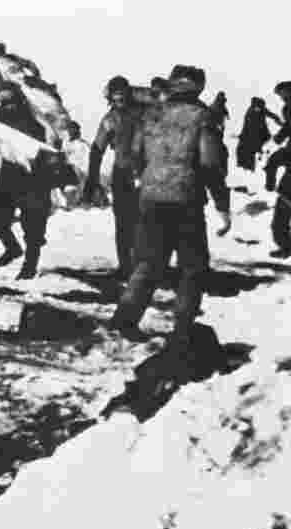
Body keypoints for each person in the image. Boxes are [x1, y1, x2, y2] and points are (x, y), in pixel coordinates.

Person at [109, 65, 231, 349]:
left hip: (151, 198)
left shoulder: (151, 114)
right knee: (192, 266)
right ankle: (183, 328)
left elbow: (134, 155)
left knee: (148, 262)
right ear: (199, 87)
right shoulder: (203, 117)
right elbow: (210, 163)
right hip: (186, 199)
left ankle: (125, 319)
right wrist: (222, 205)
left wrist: (146, 178)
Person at [0, 81, 55, 279]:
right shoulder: (0, 119)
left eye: (10, 101)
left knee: (32, 226)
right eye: (3, 102)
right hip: (10, 175)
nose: (7, 106)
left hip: (33, 179)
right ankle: (12, 248)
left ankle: (30, 265)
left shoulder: (33, 123)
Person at [81, 75, 146, 278]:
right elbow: (97, 149)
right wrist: (92, 180)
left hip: (140, 173)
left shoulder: (116, 118)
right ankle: (129, 266)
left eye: (122, 98)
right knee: (126, 222)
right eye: (116, 99)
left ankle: (135, 266)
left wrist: (92, 180)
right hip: (127, 174)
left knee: (137, 222)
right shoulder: (116, 119)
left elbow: (97, 149)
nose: (119, 102)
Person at [235, 97, 283, 171]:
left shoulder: (258, 110)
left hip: (257, 137)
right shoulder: (251, 111)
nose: (258, 108)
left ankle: (250, 167)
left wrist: (279, 122)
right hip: (251, 136)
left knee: (248, 152)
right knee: (245, 152)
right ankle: (248, 168)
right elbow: (247, 125)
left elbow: (272, 115)